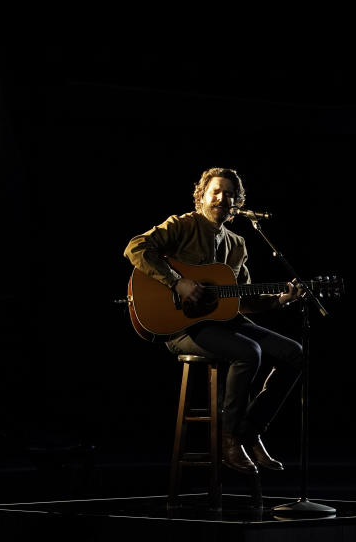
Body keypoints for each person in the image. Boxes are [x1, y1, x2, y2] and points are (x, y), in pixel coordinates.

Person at [123, 167, 305, 475]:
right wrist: (177, 282)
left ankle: (249, 431)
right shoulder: (182, 226)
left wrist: (279, 300)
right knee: (249, 352)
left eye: (230, 194)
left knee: (295, 353)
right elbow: (135, 248)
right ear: (202, 196)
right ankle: (229, 439)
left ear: (237, 202)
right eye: (216, 191)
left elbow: (243, 302)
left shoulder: (237, 243)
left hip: (225, 323)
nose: (223, 197)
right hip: (184, 327)